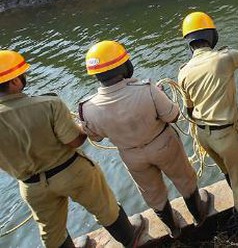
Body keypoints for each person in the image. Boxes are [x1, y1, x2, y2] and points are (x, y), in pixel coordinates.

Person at [0, 50, 146, 248]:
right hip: (70, 171)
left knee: (51, 232)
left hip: (31, 185)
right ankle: (131, 239)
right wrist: (81, 126)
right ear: (15, 81)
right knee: (105, 207)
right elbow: (75, 141)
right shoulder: (49, 104)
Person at [79, 41, 211, 239]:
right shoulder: (147, 89)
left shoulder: (87, 108)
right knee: (184, 179)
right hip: (163, 144)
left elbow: (96, 135)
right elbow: (173, 115)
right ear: (124, 67)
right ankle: (199, 215)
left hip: (131, 155)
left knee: (152, 193)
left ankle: (173, 228)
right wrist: (161, 94)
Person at [178, 11, 238, 248]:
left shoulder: (183, 72)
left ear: (189, 42)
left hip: (203, 136)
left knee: (230, 172)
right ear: (212, 35)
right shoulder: (225, 58)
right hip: (226, 134)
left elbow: (189, 110)